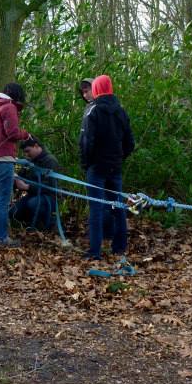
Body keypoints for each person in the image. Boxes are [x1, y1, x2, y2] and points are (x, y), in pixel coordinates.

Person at [79, 74, 134, 260]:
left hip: (97, 167)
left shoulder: (92, 111)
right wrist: (119, 158)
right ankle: (119, 247)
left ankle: (95, 251)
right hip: (115, 167)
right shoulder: (121, 111)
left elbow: (87, 141)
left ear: (96, 89)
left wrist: (86, 163)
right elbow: (129, 143)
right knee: (118, 206)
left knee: (95, 208)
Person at [0, 82, 31, 245]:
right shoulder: (8, 107)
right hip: (2, 159)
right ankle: (1, 237)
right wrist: (26, 134)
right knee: (3, 199)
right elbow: (12, 133)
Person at [10, 138, 60, 230]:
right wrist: (15, 179)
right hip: (32, 195)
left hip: (49, 198)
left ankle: (44, 225)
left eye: (28, 151)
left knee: (33, 204)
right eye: (25, 152)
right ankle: (30, 224)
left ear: (36, 146)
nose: (26, 154)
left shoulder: (50, 161)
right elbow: (21, 176)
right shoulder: (30, 161)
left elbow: (50, 187)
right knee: (13, 212)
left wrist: (28, 187)